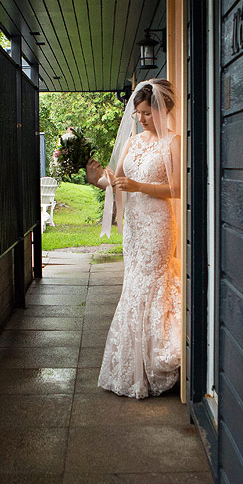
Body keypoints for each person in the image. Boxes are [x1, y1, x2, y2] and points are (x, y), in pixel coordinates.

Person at [84, 79, 183, 398]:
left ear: (163, 109)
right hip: (134, 227)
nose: (140, 119)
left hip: (157, 224)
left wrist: (140, 187)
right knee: (133, 286)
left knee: (151, 284)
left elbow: (178, 189)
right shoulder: (134, 143)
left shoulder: (173, 143)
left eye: (146, 113)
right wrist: (96, 178)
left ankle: (159, 360)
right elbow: (116, 182)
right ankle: (130, 366)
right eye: (137, 113)